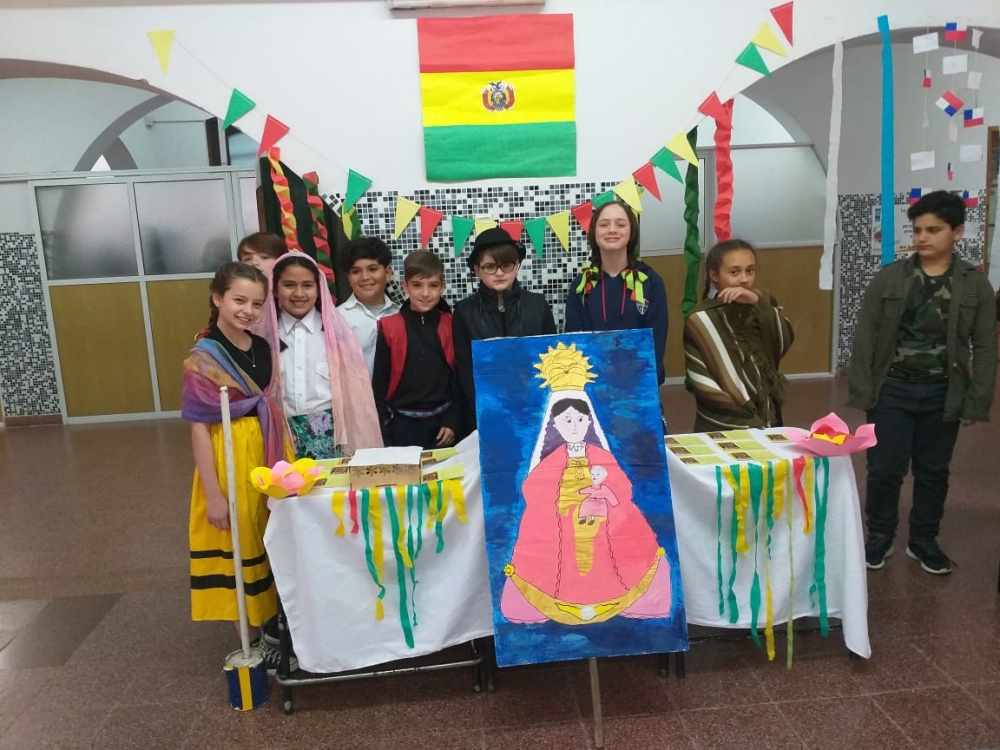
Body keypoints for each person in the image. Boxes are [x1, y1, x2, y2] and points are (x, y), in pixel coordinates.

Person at [849, 190, 996, 575]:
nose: (922, 237)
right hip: (892, 389)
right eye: (917, 230)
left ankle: (923, 540)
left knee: (933, 471)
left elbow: (984, 346)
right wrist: (865, 391)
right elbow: (865, 336)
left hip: (943, 392)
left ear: (957, 232)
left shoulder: (975, 286)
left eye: (934, 230)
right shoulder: (890, 278)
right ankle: (880, 535)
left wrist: (976, 400)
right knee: (884, 469)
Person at [181, 262, 286, 644]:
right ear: (217, 298)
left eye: (257, 304)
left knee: (268, 535)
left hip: (268, 450)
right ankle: (251, 638)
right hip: (229, 457)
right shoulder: (204, 356)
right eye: (239, 300)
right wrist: (213, 494)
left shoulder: (261, 346)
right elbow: (198, 427)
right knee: (238, 541)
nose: (248, 311)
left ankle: (275, 624)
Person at [500, 394, 672, 625]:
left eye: (580, 420)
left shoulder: (602, 456)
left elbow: (622, 489)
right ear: (555, 424)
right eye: (567, 420)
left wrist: (606, 496)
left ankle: (619, 597)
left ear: (589, 422)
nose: (574, 426)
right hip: (563, 520)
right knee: (539, 533)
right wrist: (565, 507)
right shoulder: (550, 461)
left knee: (632, 531)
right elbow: (533, 491)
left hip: (602, 519)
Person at [262, 253, 383, 459]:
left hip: (330, 436)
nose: (299, 293)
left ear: (319, 289)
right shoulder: (264, 335)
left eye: (307, 285)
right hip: (279, 435)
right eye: (289, 285)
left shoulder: (338, 333)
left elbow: (357, 397)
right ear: (274, 289)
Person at [683, 239, 795, 432]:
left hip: (767, 411)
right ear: (714, 276)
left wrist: (757, 303)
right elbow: (701, 381)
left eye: (750, 271)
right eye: (734, 272)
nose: (744, 279)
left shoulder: (762, 303)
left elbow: (783, 338)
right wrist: (745, 418)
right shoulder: (701, 318)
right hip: (721, 421)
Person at [453, 227, 556, 435]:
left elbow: (551, 358)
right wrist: (485, 409)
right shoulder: (464, 312)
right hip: (484, 412)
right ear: (477, 269)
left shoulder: (538, 305)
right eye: (490, 267)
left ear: (517, 265)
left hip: (534, 409)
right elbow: (464, 370)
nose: (499, 273)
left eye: (506, 265)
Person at [564, 200, 668, 385]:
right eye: (604, 224)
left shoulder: (650, 282)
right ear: (594, 232)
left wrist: (646, 381)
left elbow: (657, 341)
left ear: (631, 233)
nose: (612, 230)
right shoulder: (581, 286)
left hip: (640, 383)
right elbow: (573, 341)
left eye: (620, 224)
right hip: (592, 382)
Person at [372, 251, 461, 448]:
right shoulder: (389, 327)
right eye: (417, 285)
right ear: (405, 286)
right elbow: (379, 384)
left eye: (433, 285)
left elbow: (460, 380)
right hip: (401, 426)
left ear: (442, 286)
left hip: (443, 425)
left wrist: (453, 421)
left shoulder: (451, 324)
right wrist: (383, 433)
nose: (425, 293)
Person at [338, 237, 401, 377]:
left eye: (372, 269)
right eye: (356, 271)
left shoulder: (401, 316)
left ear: (388, 273)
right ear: (348, 277)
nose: (365, 277)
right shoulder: (337, 318)